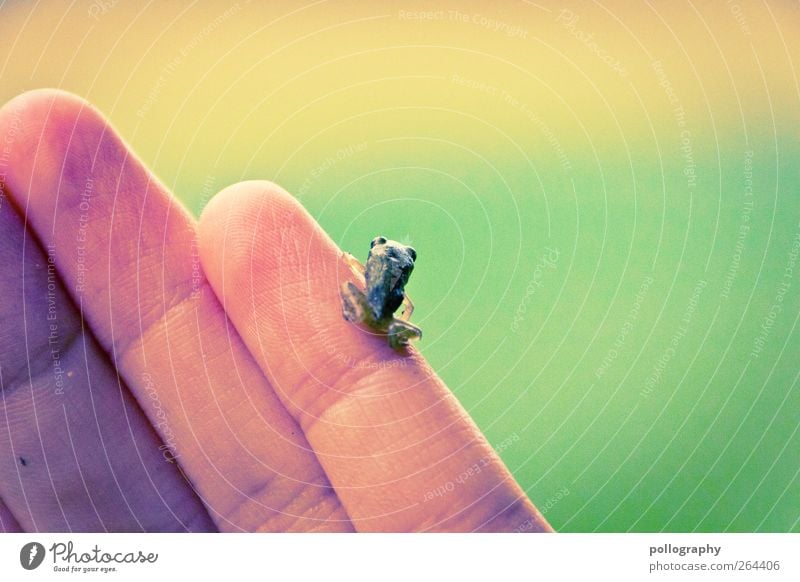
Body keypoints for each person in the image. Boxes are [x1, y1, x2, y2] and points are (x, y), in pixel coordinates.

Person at [0, 90, 551, 533]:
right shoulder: (394, 271)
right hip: (381, 325)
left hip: (365, 312)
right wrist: (393, 325)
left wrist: (351, 279)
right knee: (402, 323)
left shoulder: (368, 264)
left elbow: (360, 274)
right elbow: (406, 303)